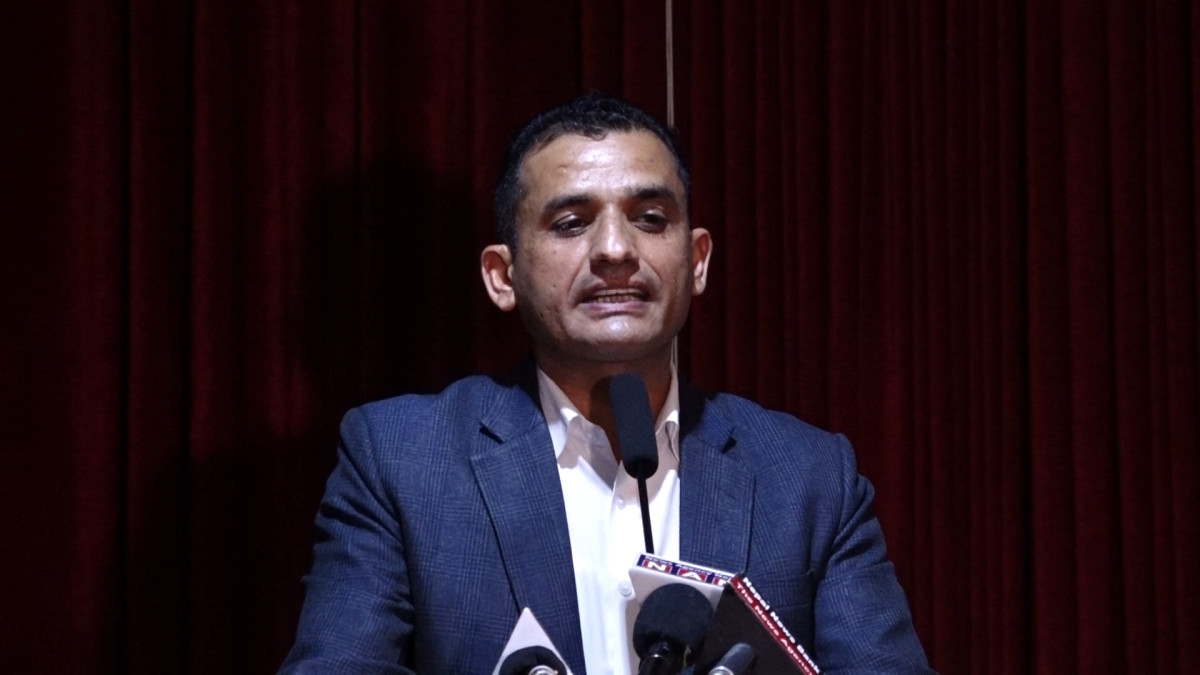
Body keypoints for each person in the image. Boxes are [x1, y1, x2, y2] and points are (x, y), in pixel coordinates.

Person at [281, 93, 931, 674]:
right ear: (502, 276)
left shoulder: (810, 478)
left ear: (697, 260)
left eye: (650, 217)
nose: (616, 249)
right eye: (571, 222)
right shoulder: (402, 461)